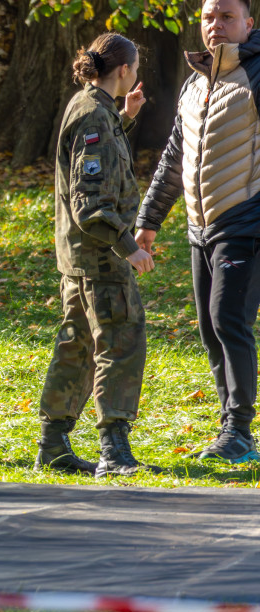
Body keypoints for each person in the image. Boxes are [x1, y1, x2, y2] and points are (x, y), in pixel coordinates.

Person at [136, 0, 260, 465]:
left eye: (227, 16)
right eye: (209, 17)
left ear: (249, 24)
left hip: (246, 222)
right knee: (210, 328)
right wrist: (149, 221)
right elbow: (173, 158)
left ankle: (239, 432)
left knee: (230, 320)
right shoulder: (195, 82)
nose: (216, 25)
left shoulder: (256, 74)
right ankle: (230, 424)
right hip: (200, 227)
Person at [36, 33, 161, 478]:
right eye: (135, 68)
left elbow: (93, 159)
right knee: (120, 343)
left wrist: (126, 118)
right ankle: (114, 447)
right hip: (101, 258)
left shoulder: (89, 105)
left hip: (78, 257)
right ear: (124, 71)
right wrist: (128, 248)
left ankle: (53, 443)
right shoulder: (95, 116)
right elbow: (91, 202)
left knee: (78, 345)